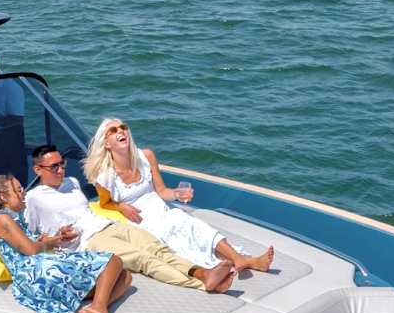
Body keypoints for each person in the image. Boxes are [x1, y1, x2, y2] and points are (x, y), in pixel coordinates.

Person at [24, 144, 235, 293]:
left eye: (62, 164)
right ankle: (202, 283)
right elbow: (33, 236)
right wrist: (57, 238)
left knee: (158, 248)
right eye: (54, 167)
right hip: (89, 240)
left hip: (109, 224)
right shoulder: (34, 198)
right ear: (37, 170)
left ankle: (202, 272)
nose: (60, 170)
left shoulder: (72, 182)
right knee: (143, 259)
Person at [83, 117, 273, 273]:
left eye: (123, 127)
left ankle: (238, 257)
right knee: (183, 245)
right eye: (113, 131)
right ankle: (251, 261)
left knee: (192, 225)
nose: (121, 132)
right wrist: (121, 206)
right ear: (106, 144)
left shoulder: (146, 157)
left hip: (162, 209)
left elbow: (162, 191)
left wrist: (177, 193)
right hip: (142, 220)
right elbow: (105, 203)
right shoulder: (105, 176)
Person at [0, 175, 130, 313]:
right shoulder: (3, 218)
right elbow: (30, 250)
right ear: (3, 196)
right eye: (19, 190)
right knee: (113, 261)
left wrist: (55, 238)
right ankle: (99, 307)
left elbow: (28, 245)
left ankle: (94, 309)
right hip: (36, 273)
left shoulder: (14, 219)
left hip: (37, 275)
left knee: (124, 277)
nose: (24, 194)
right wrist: (45, 243)